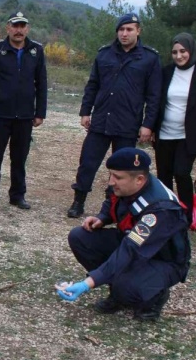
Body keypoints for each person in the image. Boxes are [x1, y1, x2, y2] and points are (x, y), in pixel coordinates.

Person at [58, 148, 190, 322]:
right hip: (132, 243)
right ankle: (117, 290)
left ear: (139, 180)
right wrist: (102, 218)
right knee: (80, 237)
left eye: (117, 177)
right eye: (111, 175)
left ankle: (154, 297)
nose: (111, 182)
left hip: (163, 259)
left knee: (126, 286)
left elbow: (131, 250)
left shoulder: (159, 208)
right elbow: (112, 201)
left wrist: (88, 283)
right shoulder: (125, 184)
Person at [67, 13, 162, 218]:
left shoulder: (149, 58)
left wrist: (148, 125)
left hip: (128, 123)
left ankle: (111, 207)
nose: (125, 33)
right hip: (101, 119)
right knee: (88, 163)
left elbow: (154, 96)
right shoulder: (104, 54)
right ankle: (78, 201)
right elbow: (92, 85)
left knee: (123, 168)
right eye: (121, 29)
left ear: (138, 31)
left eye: (129, 29)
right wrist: (85, 111)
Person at [0, 11, 47, 211]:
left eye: (22, 26)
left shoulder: (36, 51)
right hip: (0, 114)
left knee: (20, 158)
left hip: (25, 115)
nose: (19, 30)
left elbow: (41, 83)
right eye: (15, 26)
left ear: (27, 28)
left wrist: (40, 112)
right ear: (8, 28)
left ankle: (17, 196)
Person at [153, 32, 196, 224]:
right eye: (174, 52)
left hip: (189, 134)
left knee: (181, 172)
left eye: (183, 51)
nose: (178, 56)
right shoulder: (166, 72)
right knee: (163, 175)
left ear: (191, 50)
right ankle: (166, 212)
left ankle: (185, 216)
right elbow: (157, 101)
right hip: (164, 133)